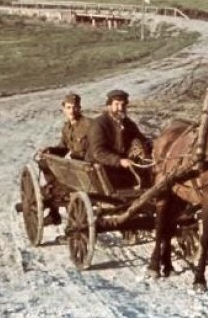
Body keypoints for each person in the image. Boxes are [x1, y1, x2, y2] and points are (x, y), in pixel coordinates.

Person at [39, 92, 91, 225]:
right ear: (63, 108)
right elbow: (63, 148)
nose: (72, 111)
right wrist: (50, 150)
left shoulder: (89, 125)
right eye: (68, 107)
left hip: (86, 168)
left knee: (53, 189)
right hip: (75, 167)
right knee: (45, 163)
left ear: (80, 108)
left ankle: (54, 209)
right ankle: (54, 212)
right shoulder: (67, 128)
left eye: (75, 107)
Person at [87, 89, 150, 187]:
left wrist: (151, 146)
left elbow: (141, 139)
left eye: (123, 105)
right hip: (102, 168)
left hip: (123, 166)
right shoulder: (99, 124)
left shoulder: (128, 123)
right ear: (109, 106)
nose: (120, 108)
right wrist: (119, 161)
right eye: (116, 104)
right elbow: (98, 152)